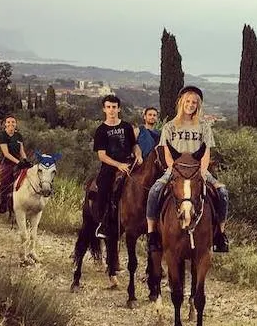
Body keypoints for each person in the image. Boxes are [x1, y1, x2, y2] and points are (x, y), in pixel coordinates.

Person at [145, 86, 229, 253]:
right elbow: (167, 153)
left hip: (198, 170)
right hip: (175, 170)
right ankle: (152, 233)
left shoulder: (204, 126)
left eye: (194, 102)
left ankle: (220, 234)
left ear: (198, 105)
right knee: (154, 191)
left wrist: (203, 171)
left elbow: (206, 152)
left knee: (223, 192)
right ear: (181, 103)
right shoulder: (170, 126)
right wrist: (173, 170)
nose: (190, 105)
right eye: (188, 101)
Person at [93, 94, 142, 238]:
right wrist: (118, 165)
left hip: (129, 162)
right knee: (103, 186)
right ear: (104, 109)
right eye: (108, 107)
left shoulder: (126, 126)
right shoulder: (101, 130)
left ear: (119, 109)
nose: (111, 110)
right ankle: (103, 223)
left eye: (114, 107)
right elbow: (101, 155)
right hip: (111, 165)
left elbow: (135, 145)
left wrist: (138, 155)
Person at [0, 115, 30, 214]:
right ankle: (2, 204)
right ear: (5, 124)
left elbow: (21, 150)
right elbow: (6, 154)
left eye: (13, 122)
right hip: (6, 162)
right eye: (8, 122)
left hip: (18, 162)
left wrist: (26, 160)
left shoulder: (18, 136)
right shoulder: (2, 135)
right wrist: (18, 162)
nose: (11, 124)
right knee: (6, 179)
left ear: (16, 124)